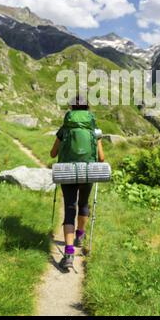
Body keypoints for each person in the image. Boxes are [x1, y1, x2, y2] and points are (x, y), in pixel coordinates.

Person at [50, 95, 104, 270]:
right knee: (83, 204)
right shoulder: (95, 130)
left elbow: (52, 153)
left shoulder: (65, 129)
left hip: (68, 172)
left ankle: (68, 253)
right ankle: (80, 235)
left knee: (69, 208)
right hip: (87, 172)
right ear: (87, 109)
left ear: (71, 109)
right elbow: (101, 158)